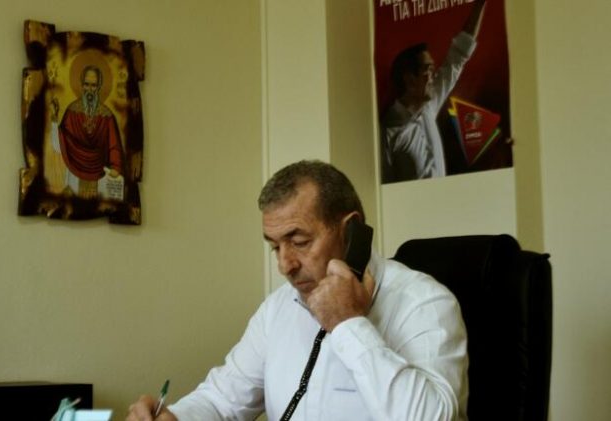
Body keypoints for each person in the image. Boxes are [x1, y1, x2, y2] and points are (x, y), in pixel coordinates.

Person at [127, 160, 468, 420]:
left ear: (352, 231)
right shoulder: (278, 308)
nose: (285, 265)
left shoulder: (424, 302)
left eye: (300, 241)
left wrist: (349, 324)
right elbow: (221, 400)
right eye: (275, 247)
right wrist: (176, 417)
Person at [382, 0, 486, 183]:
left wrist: (479, 5)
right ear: (409, 79)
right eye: (428, 70)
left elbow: (458, 57)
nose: (433, 75)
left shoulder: (428, 106)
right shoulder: (387, 133)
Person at [58, 65, 125, 198]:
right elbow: (61, 139)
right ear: (82, 86)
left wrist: (116, 167)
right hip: (74, 170)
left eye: (93, 85)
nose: (89, 89)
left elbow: (114, 145)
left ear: (99, 87)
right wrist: (54, 121)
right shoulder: (71, 111)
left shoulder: (107, 115)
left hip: (100, 173)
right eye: (86, 84)